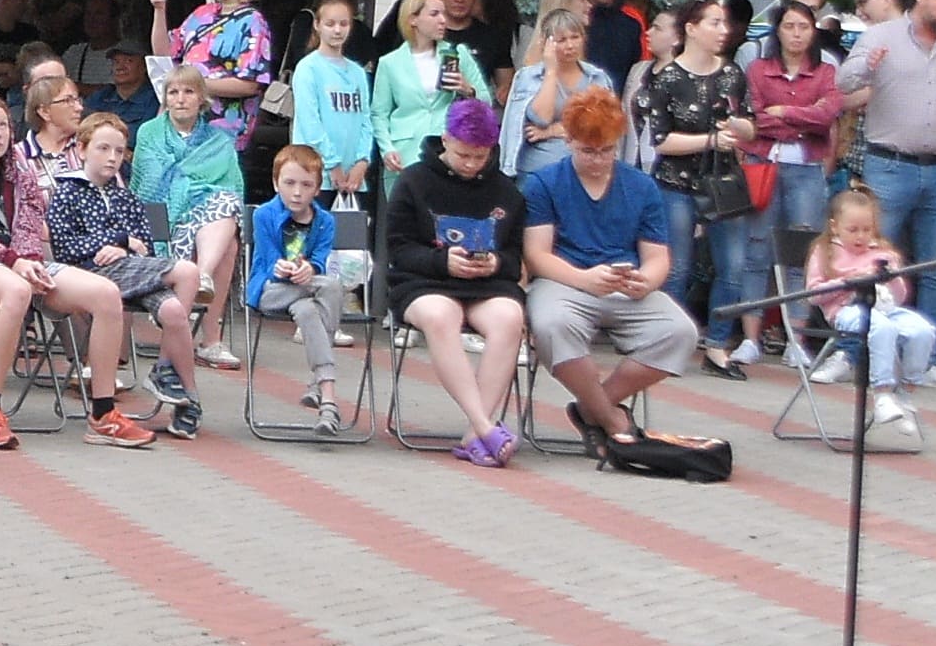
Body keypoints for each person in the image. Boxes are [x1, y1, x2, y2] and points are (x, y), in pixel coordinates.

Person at [519, 85, 703, 442]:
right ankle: (612, 420)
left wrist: (647, 281)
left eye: (607, 150)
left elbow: (657, 257)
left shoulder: (641, 186)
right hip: (565, 280)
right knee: (552, 325)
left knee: (681, 332)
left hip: (622, 282)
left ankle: (591, 409)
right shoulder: (544, 182)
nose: (599, 159)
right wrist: (584, 279)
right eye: (588, 151)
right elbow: (537, 256)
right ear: (568, 140)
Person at [380, 101, 531, 459]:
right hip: (423, 280)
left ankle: (473, 436)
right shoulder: (413, 180)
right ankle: (484, 426)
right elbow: (398, 249)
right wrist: (441, 261)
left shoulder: (506, 189)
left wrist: (494, 262)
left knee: (510, 319)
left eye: (480, 157)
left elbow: (515, 254)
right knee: (440, 316)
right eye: (463, 155)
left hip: (487, 284)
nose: (471, 164)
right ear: (446, 140)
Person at [629, 0, 766, 362]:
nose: (724, 30)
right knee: (676, 268)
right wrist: (710, 139)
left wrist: (739, 126)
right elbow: (662, 140)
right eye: (715, 22)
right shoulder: (667, 78)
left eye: (725, 23)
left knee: (732, 266)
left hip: (723, 181)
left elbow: (751, 124)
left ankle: (718, 344)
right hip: (676, 182)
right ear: (691, 28)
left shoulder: (732, 74)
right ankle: (668, 339)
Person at [46, 113, 203, 432]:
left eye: (119, 151)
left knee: (174, 311)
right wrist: (116, 240)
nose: (113, 158)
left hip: (132, 271)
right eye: (103, 149)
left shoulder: (124, 195)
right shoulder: (67, 191)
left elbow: (144, 244)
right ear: (82, 149)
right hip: (92, 276)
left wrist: (125, 247)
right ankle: (165, 373)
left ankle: (183, 395)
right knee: (186, 272)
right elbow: (65, 248)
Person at [838, 0, 936, 319]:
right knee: (873, 260)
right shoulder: (880, 37)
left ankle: (930, 356)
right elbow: (844, 81)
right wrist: (867, 68)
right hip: (889, 165)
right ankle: (858, 348)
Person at [797, 185, 936, 444]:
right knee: (880, 327)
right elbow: (813, 294)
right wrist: (850, 280)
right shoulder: (825, 252)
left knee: (922, 330)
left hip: (887, 308)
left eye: (867, 230)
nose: (861, 237)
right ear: (835, 226)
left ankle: (905, 390)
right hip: (847, 310)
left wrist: (891, 277)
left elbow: (901, 296)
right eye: (853, 230)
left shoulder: (882, 252)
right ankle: (882, 394)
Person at [245, 141, 367, 436]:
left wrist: (309, 269)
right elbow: (269, 259)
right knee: (332, 288)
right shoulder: (263, 215)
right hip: (270, 290)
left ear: (316, 188)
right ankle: (320, 388)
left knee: (309, 310)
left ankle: (326, 397)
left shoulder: (324, 221)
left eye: (306, 185)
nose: (297, 192)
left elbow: (320, 260)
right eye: (289, 183)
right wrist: (287, 269)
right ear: (276, 184)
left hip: (306, 291)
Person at [126, 63, 245, 363]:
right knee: (225, 236)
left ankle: (206, 312)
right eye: (173, 92)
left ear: (201, 98)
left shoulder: (219, 141)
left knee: (228, 217)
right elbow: (149, 182)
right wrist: (195, 187)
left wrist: (198, 192)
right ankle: (209, 333)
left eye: (188, 91)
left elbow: (231, 186)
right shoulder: (150, 133)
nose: (180, 98)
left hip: (208, 220)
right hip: (158, 217)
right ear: (165, 98)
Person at [746, 0, 844, 286]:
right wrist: (804, 121)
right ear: (778, 31)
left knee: (802, 253)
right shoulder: (757, 69)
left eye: (804, 26)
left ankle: (795, 331)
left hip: (806, 166)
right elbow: (755, 118)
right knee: (757, 250)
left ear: (814, 32)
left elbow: (826, 116)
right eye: (789, 26)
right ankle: (752, 331)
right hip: (763, 165)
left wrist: (786, 112)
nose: (797, 33)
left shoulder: (825, 72)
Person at [146, 0, 273, 155]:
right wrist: (159, 10)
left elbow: (251, 83)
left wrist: (192, 85)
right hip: (181, 122)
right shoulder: (201, 14)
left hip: (222, 130)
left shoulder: (253, 22)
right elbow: (164, 53)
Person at [365, 0, 487, 181]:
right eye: (434, 14)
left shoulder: (457, 54)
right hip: (404, 152)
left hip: (446, 151)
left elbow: (485, 102)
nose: (443, 20)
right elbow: (379, 113)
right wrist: (386, 148)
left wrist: (467, 90)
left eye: (444, 14)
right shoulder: (390, 63)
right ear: (413, 19)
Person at [284, 0, 378, 200]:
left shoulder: (357, 72)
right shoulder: (308, 68)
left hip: (352, 177)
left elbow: (365, 120)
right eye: (330, 24)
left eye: (344, 24)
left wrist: (362, 161)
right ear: (317, 25)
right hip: (315, 174)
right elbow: (310, 123)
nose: (337, 30)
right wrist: (331, 164)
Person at [498, 5, 599, 178]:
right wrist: (551, 70)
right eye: (561, 40)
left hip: (584, 171)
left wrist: (551, 131)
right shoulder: (528, 77)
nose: (570, 45)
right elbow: (541, 118)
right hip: (536, 170)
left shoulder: (596, 77)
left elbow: (599, 126)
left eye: (575, 37)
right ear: (546, 42)